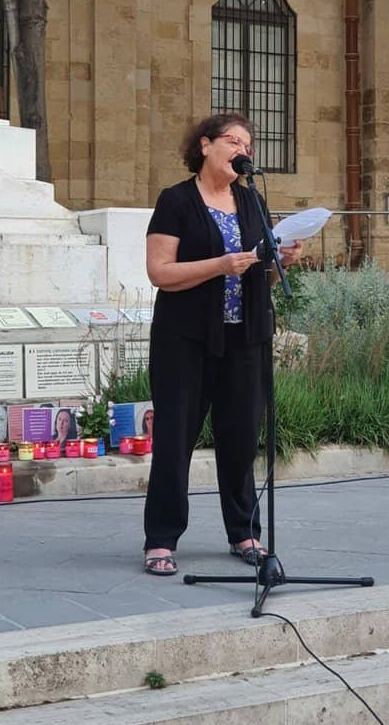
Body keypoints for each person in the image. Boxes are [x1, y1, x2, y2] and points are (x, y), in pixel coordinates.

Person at [142, 112, 303, 577]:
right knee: (175, 440)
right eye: (233, 141)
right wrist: (220, 264)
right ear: (205, 145)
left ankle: (244, 533)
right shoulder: (176, 200)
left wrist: (281, 261)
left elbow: (259, 274)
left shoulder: (252, 201)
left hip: (245, 339)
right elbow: (159, 272)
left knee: (240, 439)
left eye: (248, 145)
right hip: (185, 340)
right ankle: (161, 538)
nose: (243, 150)